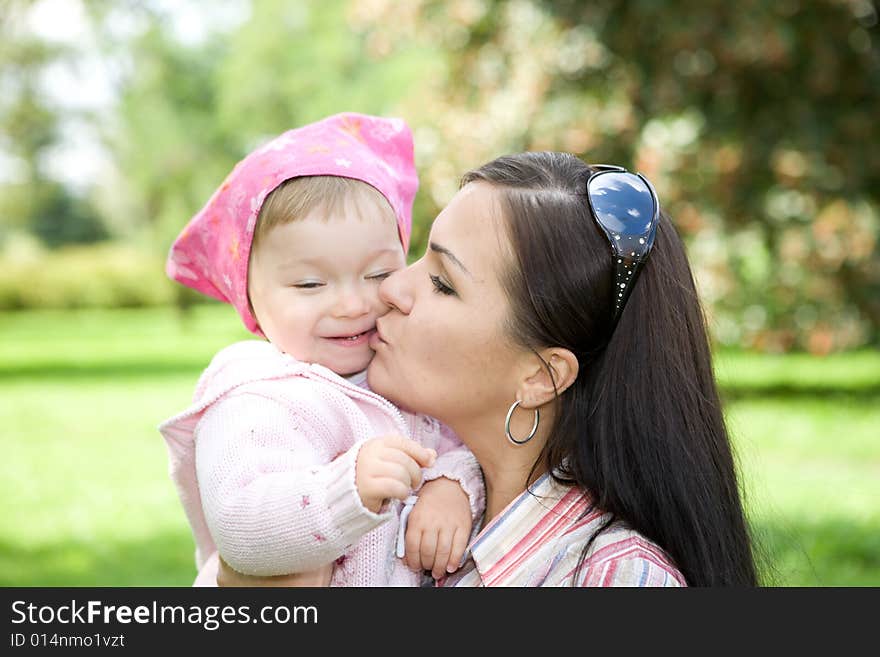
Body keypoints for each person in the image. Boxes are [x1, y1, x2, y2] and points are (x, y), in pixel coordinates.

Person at [221, 150, 759, 587]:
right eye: (419, 257)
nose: (389, 288)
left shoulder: (611, 578)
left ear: (540, 377)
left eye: (442, 282)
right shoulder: (405, 500)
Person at [158, 112, 484, 587]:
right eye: (310, 283)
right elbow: (240, 525)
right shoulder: (258, 398)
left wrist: (452, 485)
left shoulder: (404, 364)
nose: (353, 305)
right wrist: (347, 491)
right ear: (249, 298)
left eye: (377, 275)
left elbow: (466, 442)